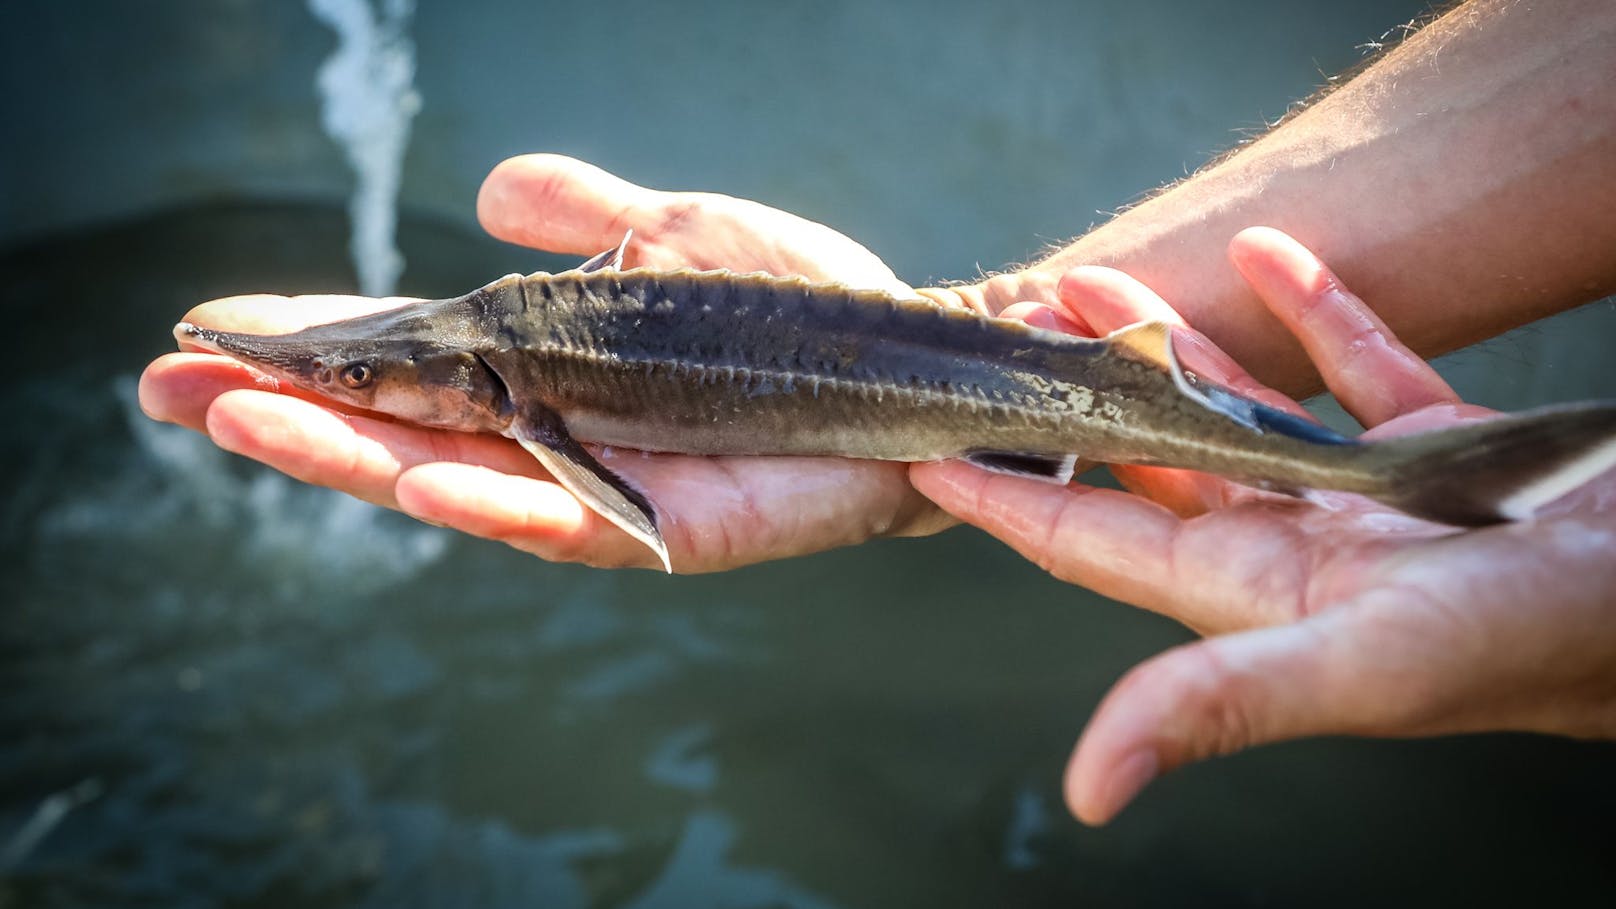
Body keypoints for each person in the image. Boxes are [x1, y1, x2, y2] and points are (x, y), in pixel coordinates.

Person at [139, 0, 1616, 823]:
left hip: (1010, 380)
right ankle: (1428, 477)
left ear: (470, 389)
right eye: (353, 375)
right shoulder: (494, 351)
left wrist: (632, 504)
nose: (346, 383)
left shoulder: (521, 396)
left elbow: (610, 487)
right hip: (975, 378)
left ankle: (1419, 479)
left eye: (357, 376)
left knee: (1228, 441)